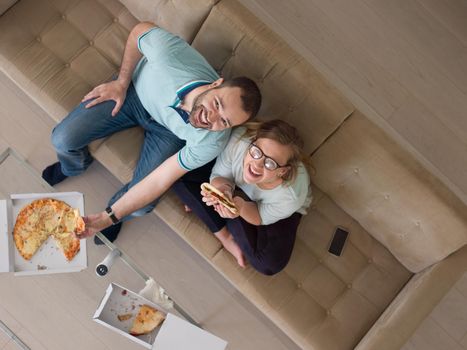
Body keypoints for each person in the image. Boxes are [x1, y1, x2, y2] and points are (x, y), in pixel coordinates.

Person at [42, 22, 261, 244]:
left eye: (223, 121)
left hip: (168, 133)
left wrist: (107, 218)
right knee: (62, 139)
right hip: (133, 94)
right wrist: (121, 82)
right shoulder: (171, 57)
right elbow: (139, 31)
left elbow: (159, 180)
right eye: (216, 103)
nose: (210, 118)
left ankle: (113, 215)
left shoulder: (213, 141)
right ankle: (73, 166)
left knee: (142, 207)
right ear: (216, 83)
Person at [172, 120, 312, 275]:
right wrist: (223, 191)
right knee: (177, 174)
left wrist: (241, 207)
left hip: (272, 209)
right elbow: (220, 175)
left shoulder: (290, 197)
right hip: (236, 187)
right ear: (253, 141)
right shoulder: (240, 141)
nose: (257, 164)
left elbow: (260, 216)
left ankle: (207, 208)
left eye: (270, 164)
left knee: (268, 264)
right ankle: (225, 233)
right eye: (257, 152)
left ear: (282, 171)